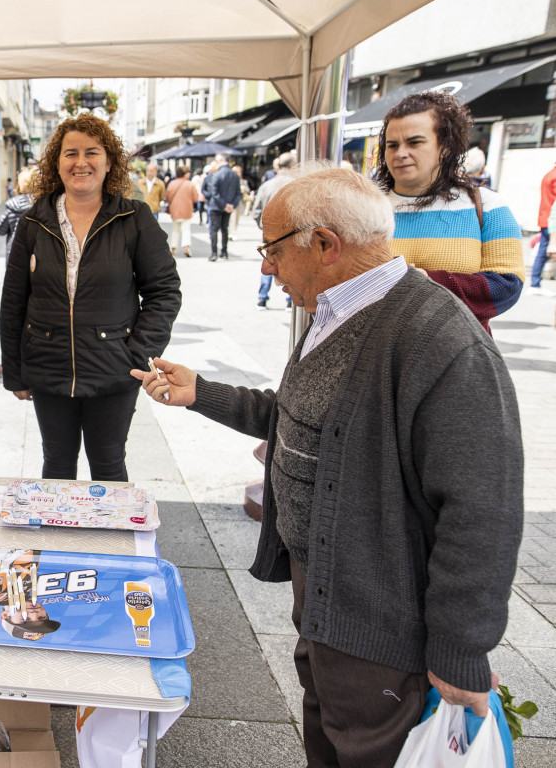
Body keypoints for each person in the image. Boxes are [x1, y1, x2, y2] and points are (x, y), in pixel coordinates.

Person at [132, 166, 523, 767]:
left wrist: (459, 649)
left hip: (381, 619)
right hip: (326, 597)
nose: (265, 266)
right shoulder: (336, 309)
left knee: (368, 745)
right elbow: (303, 419)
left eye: (272, 249)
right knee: (328, 731)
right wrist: (201, 393)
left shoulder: (439, 340)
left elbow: (482, 512)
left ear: (324, 245)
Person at [0, 114, 181, 481]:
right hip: (48, 367)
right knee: (57, 466)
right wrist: (15, 371)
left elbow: (164, 291)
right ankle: (58, 541)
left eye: (91, 152)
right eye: (70, 153)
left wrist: (136, 351)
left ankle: (110, 541)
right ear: (56, 163)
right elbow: (13, 300)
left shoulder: (134, 217)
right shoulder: (34, 222)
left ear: (109, 161)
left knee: (109, 465)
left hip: (113, 370)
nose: (80, 162)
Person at [376, 91, 524, 333]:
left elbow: (506, 286)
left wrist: (425, 282)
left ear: (445, 147)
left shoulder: (488, 206)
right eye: (392, 145)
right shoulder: (364, 208)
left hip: (457, 354)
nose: (400, 153)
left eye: (414, 142)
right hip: (376, 355)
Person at [251, 151, 297, 309]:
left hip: (270, 236)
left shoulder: (266, 185)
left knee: (269, 262)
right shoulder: (298, 184)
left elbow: (255, 211)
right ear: (292, 166)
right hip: (292, 236)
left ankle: (262, 298)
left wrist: (265, 229)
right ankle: (290, 301)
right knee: (292, 267)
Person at [0, 166, 37, 262]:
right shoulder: (41, 204)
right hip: (36, 253)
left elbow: (0, 229)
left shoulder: (13, 205)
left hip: (14, 252)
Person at [205, 155, 242, 261]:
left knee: (214, 229)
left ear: (220, 161)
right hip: (228, 206)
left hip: (217, 206)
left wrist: (224, 205)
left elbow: (214, 192)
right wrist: (231, 205)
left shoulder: (216, 175)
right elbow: (238, 193)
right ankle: (224, 252)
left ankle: (214, 253)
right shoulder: (234, 175)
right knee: (224, 229)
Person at [531, 159, 556, 296]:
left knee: (542, 252)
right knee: (544, 252)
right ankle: (535, 283)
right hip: (552, 220)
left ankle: (535, 283)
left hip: (545, 217)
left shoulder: (549, 174)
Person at [164, 165, 195, 258]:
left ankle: (173, 248)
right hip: (187, 210)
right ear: (185, 174)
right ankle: (186, 247)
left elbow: (168, 197)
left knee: (175, 229)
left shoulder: (172, 183)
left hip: (175, 210)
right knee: (186, 229)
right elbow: (196, 197)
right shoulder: (190, 184)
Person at [142, 162, 166, 226]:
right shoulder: (140, 182)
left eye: (151, 171)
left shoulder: (160, 183)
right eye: (148, 171)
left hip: (154, 210)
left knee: (153, 231)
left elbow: (161, 197)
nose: (149, 173)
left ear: (155, 171)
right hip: (142, 211)